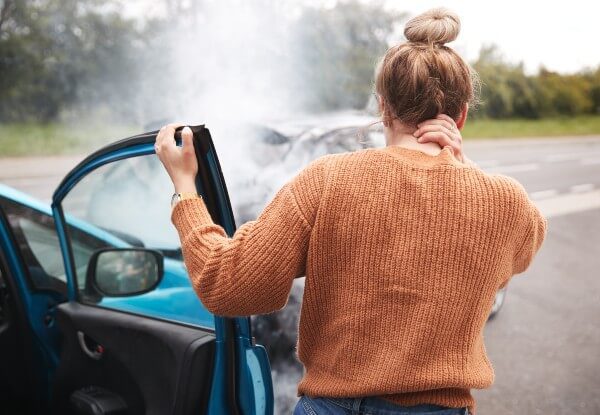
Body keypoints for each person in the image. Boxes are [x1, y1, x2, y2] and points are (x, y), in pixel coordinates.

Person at [155, 8, 546, 415]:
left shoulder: (327, 179)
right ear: (461, 114)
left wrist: (186, 191)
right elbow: (524, 247)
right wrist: (461, 167)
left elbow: (227, 285)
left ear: (383, 108)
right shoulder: (505, 201)